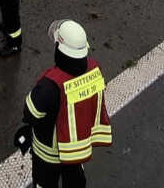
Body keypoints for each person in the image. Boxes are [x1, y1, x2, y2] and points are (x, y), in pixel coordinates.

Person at [14, 20, 112, 187]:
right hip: (75, 150)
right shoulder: (95, 70)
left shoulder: (50, 86)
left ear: (59, 50)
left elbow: (30, 114)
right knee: (75, 181)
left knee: (45, 183)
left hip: (48, 153)